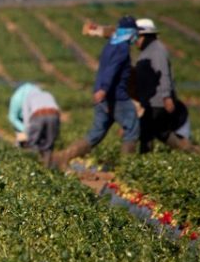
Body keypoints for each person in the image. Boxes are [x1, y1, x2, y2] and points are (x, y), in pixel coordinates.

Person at [55, 15, 140, 168]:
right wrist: (104, 89)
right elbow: (112, 69)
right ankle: (128, 168)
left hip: (102, 97)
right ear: (130, 32)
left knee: (96, 133)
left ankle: (63, 157)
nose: (137, 37)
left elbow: (109, 32)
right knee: (132, 128)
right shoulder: (122, 48)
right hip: (116, 96)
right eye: (135, 33)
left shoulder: (112, 44)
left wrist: (101, 91)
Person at [133, 18, 200, 154]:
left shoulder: (157, 50)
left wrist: (166, 96)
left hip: (157, 101)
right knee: (161, 131)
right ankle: (191, 150)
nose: (135, 40)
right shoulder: (148, 50)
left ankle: (144, 160)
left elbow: (163, 74)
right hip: (151, 100)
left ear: (146, 35)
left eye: (137, 37)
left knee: (147, 131)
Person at [8, 82, 61, 168]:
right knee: (49, 143)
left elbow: (26, 117)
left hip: (38, 116)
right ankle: (46, 166)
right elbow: (57, 109)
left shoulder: (27, 97)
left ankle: (32, 167)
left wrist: (26, 131)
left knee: (32, 142)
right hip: (54, 115)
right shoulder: (46, 94)